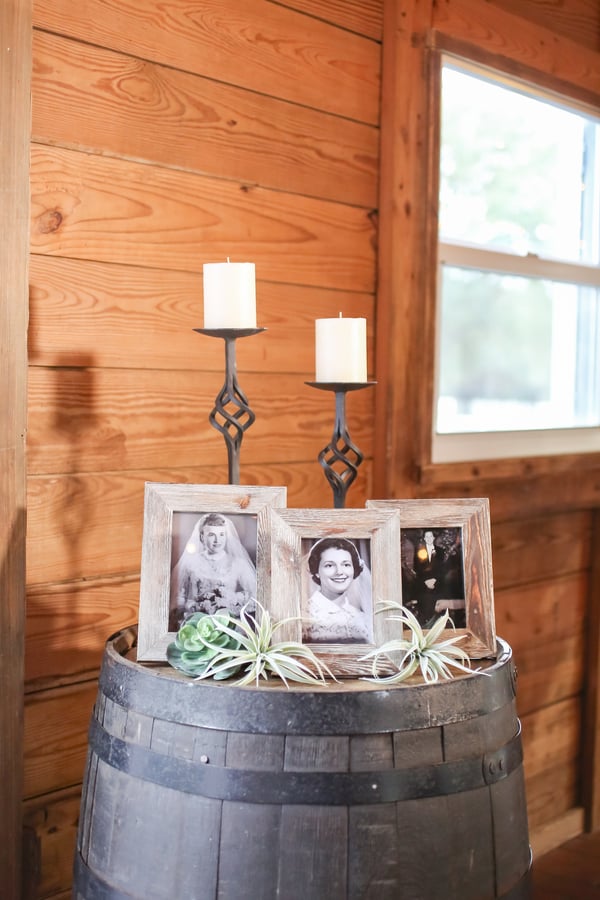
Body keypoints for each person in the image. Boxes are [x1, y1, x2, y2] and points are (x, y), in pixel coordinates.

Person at [169, 513, 256, 630]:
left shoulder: (238, 563)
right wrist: (189, 608)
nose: (217, 540)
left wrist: (232, 601)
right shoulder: (190, 563)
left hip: (229, 626)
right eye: (211, 535)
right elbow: (179, 596)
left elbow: (254, 596)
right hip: (195, 625)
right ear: (201, 537)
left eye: (221, 535)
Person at [302, 537, 372, 644]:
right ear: (316, 571)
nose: (339, 572)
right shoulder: (304, 616)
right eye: (329, 565)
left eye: (346, 565)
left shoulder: (361, 618)